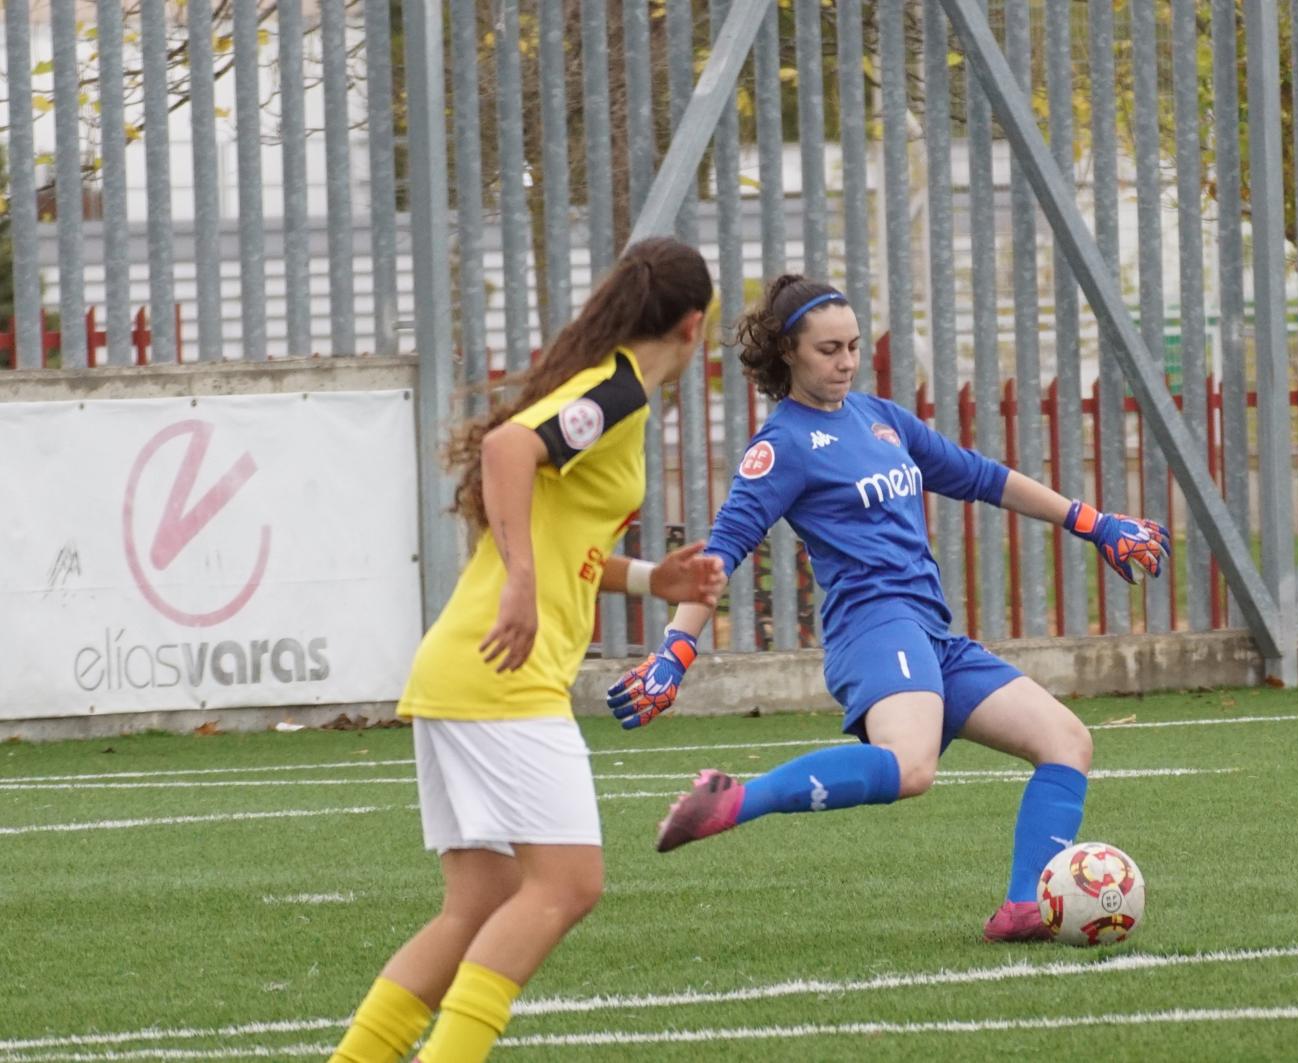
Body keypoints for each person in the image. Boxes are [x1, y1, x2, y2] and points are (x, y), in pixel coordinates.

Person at [605, 274, 1168, 943]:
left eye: (852, 347)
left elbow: (983, 477)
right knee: (911, 766)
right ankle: (734, 799)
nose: (845, 362)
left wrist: (1095, 522)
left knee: (1067, 741)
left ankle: (1022, 907)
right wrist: (677, 652)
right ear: (787, 352)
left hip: (930, 632)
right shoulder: (780, 446)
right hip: (874, 626)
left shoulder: (880, 417)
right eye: (827, 350)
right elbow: (722, 552)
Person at [329, 237, 726, 1063]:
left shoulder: (610, 391)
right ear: (695, 325)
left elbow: (568, 542)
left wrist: (655, 580)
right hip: (501, 675)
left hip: (462, 673)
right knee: (569, 884)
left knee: (479, 904)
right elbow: (509, 448)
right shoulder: (616, 389)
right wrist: (517, 580)